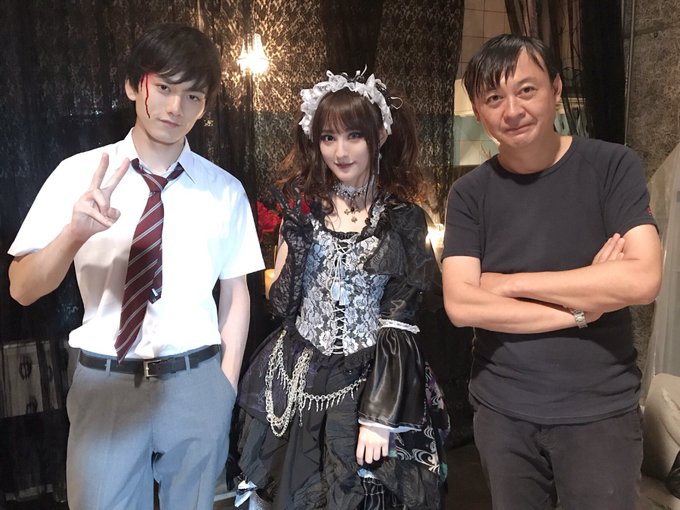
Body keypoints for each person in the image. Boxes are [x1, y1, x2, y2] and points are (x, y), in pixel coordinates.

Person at [8, 23, 263, 510]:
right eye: (163, 87)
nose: (175, 107)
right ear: (132, 85)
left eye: (193, 96)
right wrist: (74, 233)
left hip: (196, 381)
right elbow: (21, 288)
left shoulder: (224, 190)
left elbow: (236, 293)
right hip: (106, 381)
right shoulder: (79, 174)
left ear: (205, 106)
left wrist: (223, 388)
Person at [441, 33, 662, 510]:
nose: (512, 110)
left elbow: (643, 279)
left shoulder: (612, 166)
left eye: (526, 90)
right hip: (503, 411)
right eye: (494, 98)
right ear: (478, 112)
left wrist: (511, 284)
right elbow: (461, 305)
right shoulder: (469, 194)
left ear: (556, 89)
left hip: (600, 409)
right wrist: (582, 308)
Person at [235, 70, 449, 509]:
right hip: (299, 373)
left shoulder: (402, 219)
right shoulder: (303, 211)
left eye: (354, 135)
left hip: (374, 376)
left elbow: (399, 319)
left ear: (380, 135)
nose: (341, 151)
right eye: (328, 138)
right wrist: (294, 238)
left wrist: (380, 416)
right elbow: (283, 304)